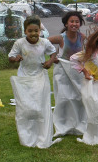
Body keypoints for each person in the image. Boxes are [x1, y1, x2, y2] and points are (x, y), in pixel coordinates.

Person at [8, 16, 60, 148]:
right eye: (30, 31)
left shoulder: (44, 42)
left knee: (41, 106)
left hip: (40, 77)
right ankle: (27, 136)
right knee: (26, 107)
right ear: (25, 31)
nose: (33, 34)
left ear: (40, 31)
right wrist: (16, 58)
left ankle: (42, 135)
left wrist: (50, 61)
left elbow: (53, 53)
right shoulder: (19, 43)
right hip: (24, 78)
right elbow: (11, 57)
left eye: (36, 31)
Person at [49, 11, 87, 137]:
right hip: (62, 73)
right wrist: (52, 57)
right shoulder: (61, 37)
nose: (74, 24)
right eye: (72, 21)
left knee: (78, 98)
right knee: (63, 98)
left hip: (77, 73)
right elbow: (43, 44)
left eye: (77, 22)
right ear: (66, 23)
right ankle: (62, 126)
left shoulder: (82, 37)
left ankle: (78, 124)